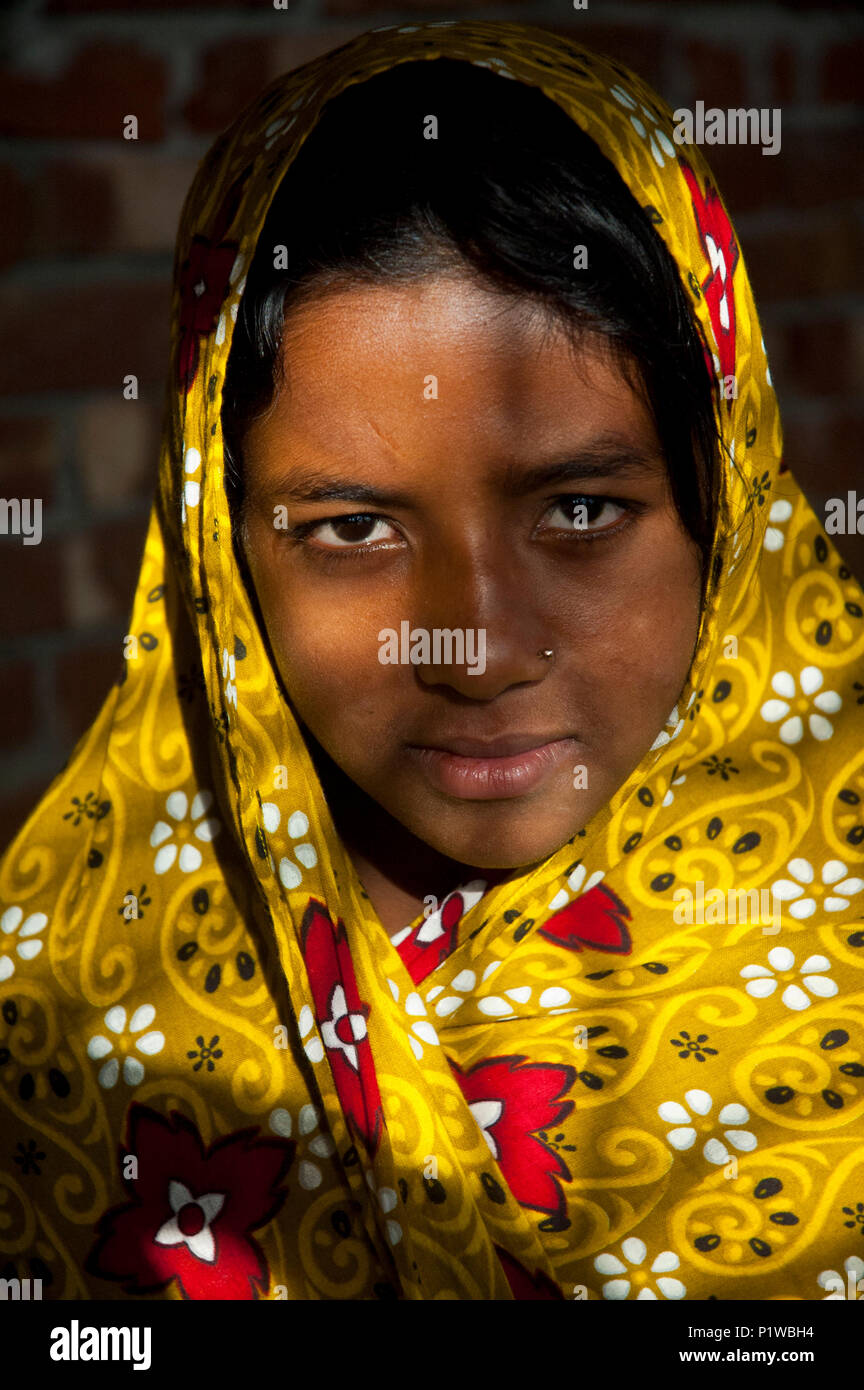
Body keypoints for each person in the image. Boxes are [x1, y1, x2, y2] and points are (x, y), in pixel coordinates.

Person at [1, 19, 862, 1303]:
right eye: (354, 529)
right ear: (223, 549)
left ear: (721, 501)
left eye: (580, 510)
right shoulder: (64, 1017)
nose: (479, 646)